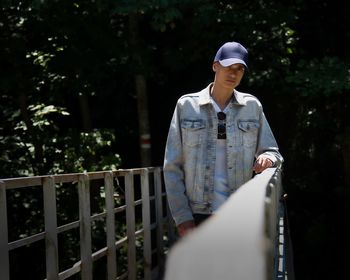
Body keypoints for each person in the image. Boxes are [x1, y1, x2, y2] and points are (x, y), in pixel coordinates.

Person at [163, 41, 283, 237]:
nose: (233, 74)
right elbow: (172, 166)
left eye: (239, 69)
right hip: (197, 214)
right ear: (215, 66)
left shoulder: (252, 106)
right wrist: (182, 217)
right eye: (228, 66)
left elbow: (273, 152)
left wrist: (267, 158)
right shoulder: (187, 106)